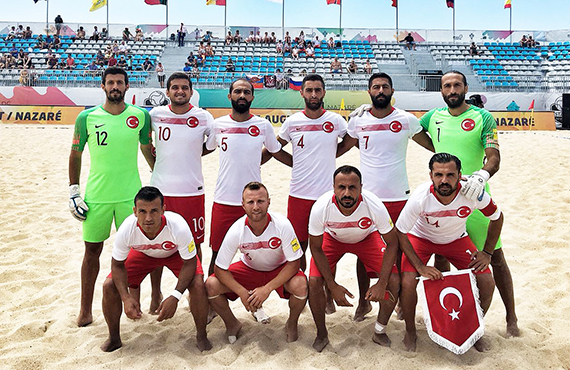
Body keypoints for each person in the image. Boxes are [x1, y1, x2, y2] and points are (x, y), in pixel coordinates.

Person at [419, 70, 519, 337]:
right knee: (441, 255)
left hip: (474, 199)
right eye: (447, 86)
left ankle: (511, 318)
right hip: (443, 197)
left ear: (465, 88)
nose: (452, 90)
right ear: (441, 91)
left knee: (495, 257)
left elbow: (493, 156)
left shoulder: (482, 117)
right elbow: (412, 131)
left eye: (457, 85)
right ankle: (445, 318)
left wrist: (482, 174)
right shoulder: (433, 117)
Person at [337, 73, 434, 321]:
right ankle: (363, 302)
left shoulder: (406, 120)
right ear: (369, 91)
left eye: (385, 87)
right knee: (363, 251)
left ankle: (401, 302)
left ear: (392, 91)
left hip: (399, 196)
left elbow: (434, 145)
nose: (380, 90)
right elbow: (339, 148)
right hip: (366, 198)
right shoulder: (358, 121)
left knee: (399, 250)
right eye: (376, 87)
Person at [68, 67, 154, 327]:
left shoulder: (140, 116)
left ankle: (134, 301)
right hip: (97, 196)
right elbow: (75, 154)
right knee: (92, 251)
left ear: (127, 86)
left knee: (135, 253)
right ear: (103, 86)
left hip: (131, 196)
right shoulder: (86, 117)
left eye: (120, 82)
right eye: (110, 82)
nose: (115, 86)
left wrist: (157, 174)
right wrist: (74, 191)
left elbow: (148, 150)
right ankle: (85, 309)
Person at [396, 153, 500, 352]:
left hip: (456, 239)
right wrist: (420, 266)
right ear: (431, 175)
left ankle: (473, 330)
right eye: (439, 175)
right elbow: (401, 232)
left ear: (460, 175)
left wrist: (487, 252)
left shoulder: (472, 192)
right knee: (408, 280)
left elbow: (497, 217)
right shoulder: (420, 196)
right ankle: (410, 330)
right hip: (422, 239)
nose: (444, 180)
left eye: (450, 175)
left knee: (487, 282)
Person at [100, 186, 211, 352]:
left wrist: (175, 296)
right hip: (142, 254)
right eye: (142, 211)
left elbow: (190, 263)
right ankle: (114, 338)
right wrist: (126, 298)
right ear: (135, 211)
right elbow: (117, 264)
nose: (148, 218)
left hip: (174, 254)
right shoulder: (127, 229)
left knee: (197, 283)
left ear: (163, 210)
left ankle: (201, 335)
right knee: (109, 286)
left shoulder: (178, 226)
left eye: (154, 211)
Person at [139, 73, 214, 311]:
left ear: (191, 92)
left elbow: (208, 147)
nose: (179, 91)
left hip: (192, 190)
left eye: (184, 87)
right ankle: (155, 293)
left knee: (195, 244)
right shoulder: (155, 115)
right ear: (167, 91)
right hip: (161, 191)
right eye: (174, 87)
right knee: (156, 243)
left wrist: (189, 156)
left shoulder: (203, 117)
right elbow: (144, 144)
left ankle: (195, 293)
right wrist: (155, 166)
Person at [308, 165, 400, 352]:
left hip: (367, 237)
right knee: (314, 281)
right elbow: (315, 248)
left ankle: (379, 331)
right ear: (333, 188)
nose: (347, 193)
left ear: (361, 188)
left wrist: (381, 283)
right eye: (341, 187)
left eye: (353, 187)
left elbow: (392, 243)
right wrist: (332, 285)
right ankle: (322, 334)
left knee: (394, 279)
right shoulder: (320, 207)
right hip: (333, 239)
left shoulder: (373, 204)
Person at [203, 79, 289, 276]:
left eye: (246, 92)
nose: (242, 95)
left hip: (254, 202)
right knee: (217, 255)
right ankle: (211, 303)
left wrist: (298, 164)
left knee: (259, 254)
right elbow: (204, 149)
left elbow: (274, 151)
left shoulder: (263, 125)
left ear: (252, 96)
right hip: (224, 200)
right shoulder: (218, 125)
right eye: (238, 91)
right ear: (229, 96)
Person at [264, 74, 348, 272]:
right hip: (299, 195)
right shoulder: (292, 122)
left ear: (324, 92)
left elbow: (350, 140)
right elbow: (275, 148)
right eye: (309, 90)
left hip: (327, 195)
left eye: (317, 90)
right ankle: (302, 291)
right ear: (301, 93)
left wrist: (332, 153)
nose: (313, 94)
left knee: (326, 249)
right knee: (298, 247)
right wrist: (296, 162)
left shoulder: (335, 120)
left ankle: (327, 294)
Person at [205, 182, 308, 343]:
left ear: (268, 201)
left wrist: (267, 289)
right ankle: (232, 324)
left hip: (278, 268)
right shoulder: (236, 229)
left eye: (260, 201)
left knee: (301, 285)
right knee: (211, 284)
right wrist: (242, 293)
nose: (256, 207)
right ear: (243, 205)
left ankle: (292, 323)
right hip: (249, 268)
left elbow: (294, 263)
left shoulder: (282, 224)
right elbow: (219, 268)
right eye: (250, 202)